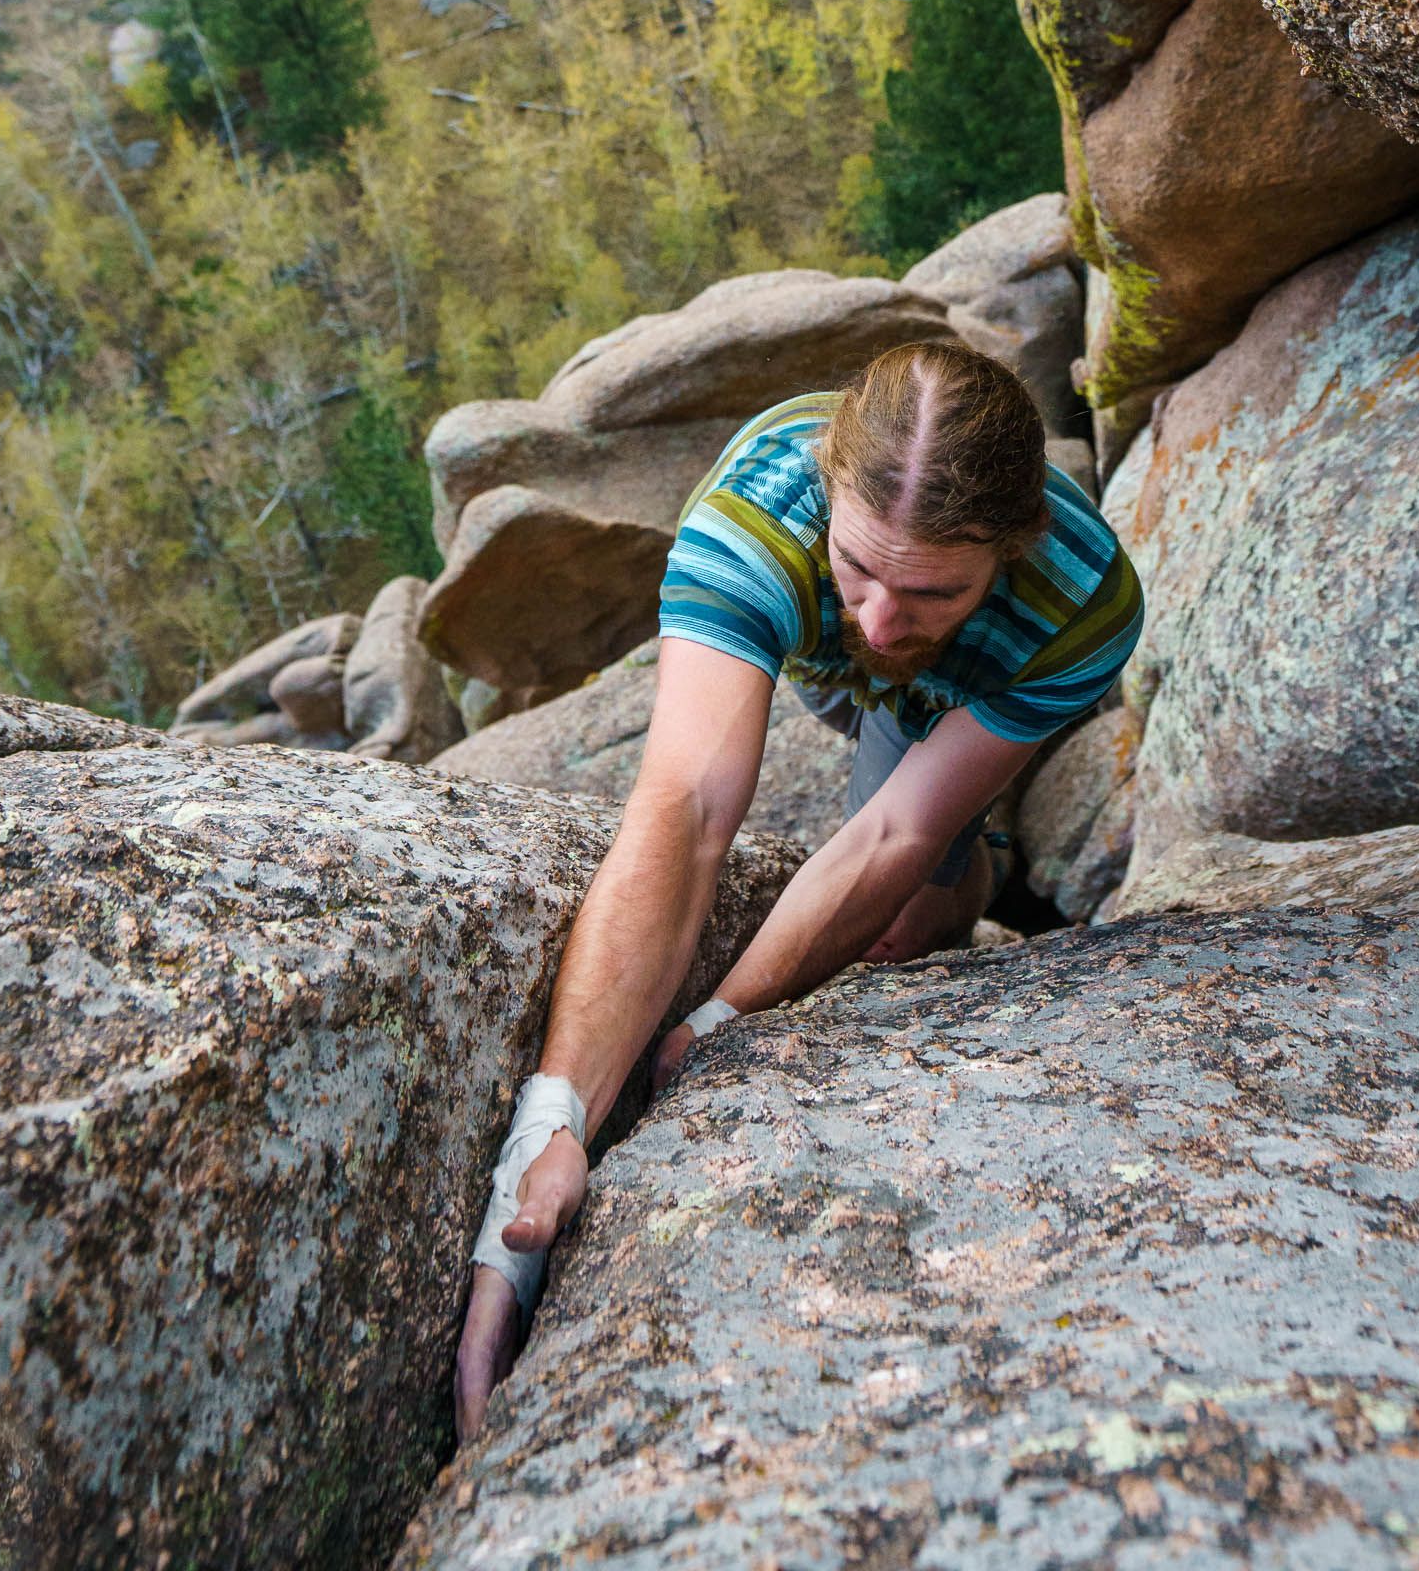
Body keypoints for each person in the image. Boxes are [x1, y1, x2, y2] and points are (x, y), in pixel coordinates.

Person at [453, 338, 1143, 1437]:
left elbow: (896, 831)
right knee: (859, 708)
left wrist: (719, 1024)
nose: (880, 620)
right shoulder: (758, 510)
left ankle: (987, 858)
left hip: (981, 676)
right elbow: (684, 814)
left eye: (930, 587)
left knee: (914, 906)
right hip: (816, 661)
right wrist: (551, 1125)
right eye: (858, 566)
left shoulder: (1084, 599)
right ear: (827, 499)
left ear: (1011, 550)